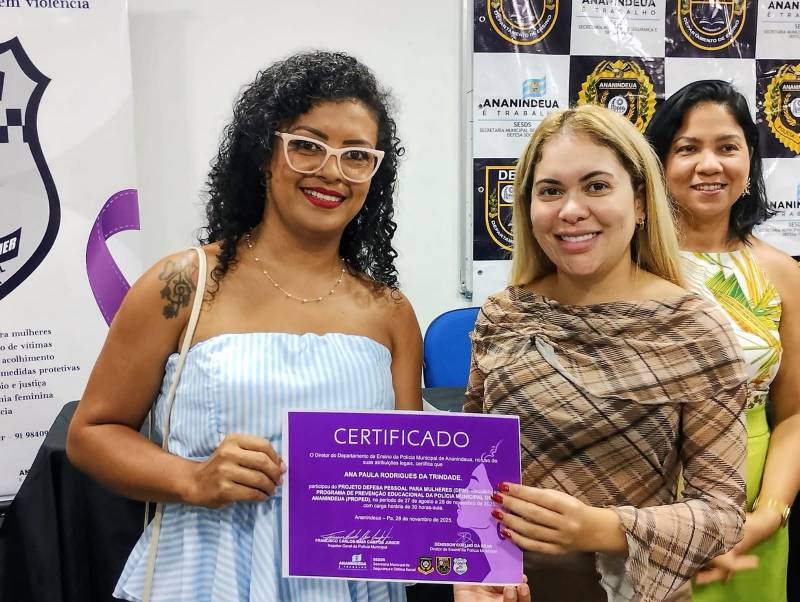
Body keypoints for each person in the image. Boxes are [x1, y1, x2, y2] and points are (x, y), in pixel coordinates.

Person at [66, 51, 424, 602]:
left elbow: (409, 484)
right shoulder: (183, 284)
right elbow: (92, 434)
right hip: (207, 575)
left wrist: (478, 558)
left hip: (349, 583)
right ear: (264, 154)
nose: (332, 171)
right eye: (307, 145)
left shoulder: (390, 312)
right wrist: (192, 479)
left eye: (356, 155)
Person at [464, 104, 749, 602]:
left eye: (596, 186)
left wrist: (600, 528)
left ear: (639, 202)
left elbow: (723, 514)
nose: (571, 210)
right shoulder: (504, 315)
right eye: (550, 191)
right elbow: (470, 474)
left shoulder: (694, 329)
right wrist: (470, 570)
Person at [646, 80, 800, 602]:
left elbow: (794, 414)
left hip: (753, 498)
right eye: (687, 148)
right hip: (642, 500)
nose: (708, 165)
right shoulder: (629, 267)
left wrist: (767, 516)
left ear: (750, 160)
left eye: (727, 147)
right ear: (658, 163)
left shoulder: (782, 273)